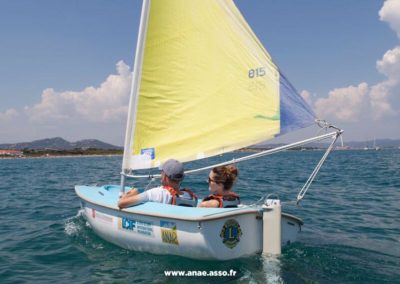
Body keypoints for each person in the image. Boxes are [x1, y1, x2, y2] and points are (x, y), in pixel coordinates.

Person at [118, 159, 197, 209]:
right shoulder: (191, 197)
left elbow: (121, 203)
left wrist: (134, 192)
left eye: (162, 172)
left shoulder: (156, 193)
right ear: (182, 177)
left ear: (164, 176)